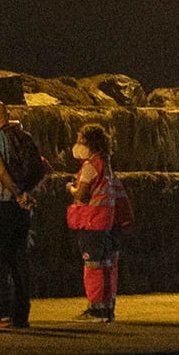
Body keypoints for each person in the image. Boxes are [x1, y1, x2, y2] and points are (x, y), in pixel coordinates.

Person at [0, 102, 42, 329]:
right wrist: (26, 194)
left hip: (4, 203)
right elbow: (40, 167)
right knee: (19, 259)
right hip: (23, 206)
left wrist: (16, 193)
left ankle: (3, 313)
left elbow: (1, 170)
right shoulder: (25, 138)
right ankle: (21, 314)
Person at [65, 124, 126, 321]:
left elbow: (82, 194)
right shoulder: (106, 166)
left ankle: (95, 309)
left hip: (91, 221)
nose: (77, 145)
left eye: (81, 141)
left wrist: (70, 188)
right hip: (106, 221)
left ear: (91, 144)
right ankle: (107, 307)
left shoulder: (90, 166)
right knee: (107, 265)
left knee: (93, 266)